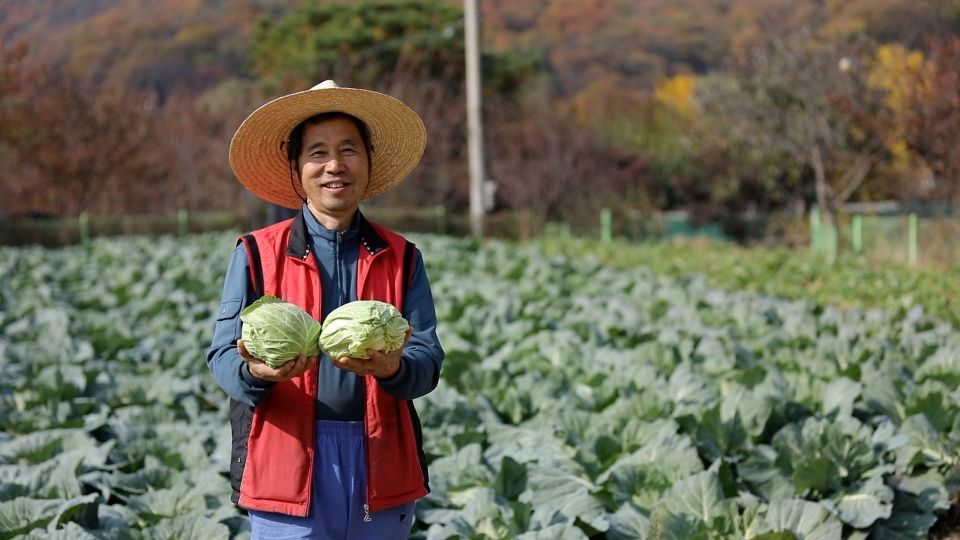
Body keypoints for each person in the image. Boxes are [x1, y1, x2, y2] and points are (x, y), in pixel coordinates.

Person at [207, 80, 445, 539]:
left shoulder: (403, 256)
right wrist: (258, 372)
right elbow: (223, 358)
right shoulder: (257, 253)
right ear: (298, 170)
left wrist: (393, 367)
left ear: (369, 163)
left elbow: (428, 361)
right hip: (286, 461)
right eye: (317, 153)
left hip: (381, 462)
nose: (334, 166)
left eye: (349, 150)